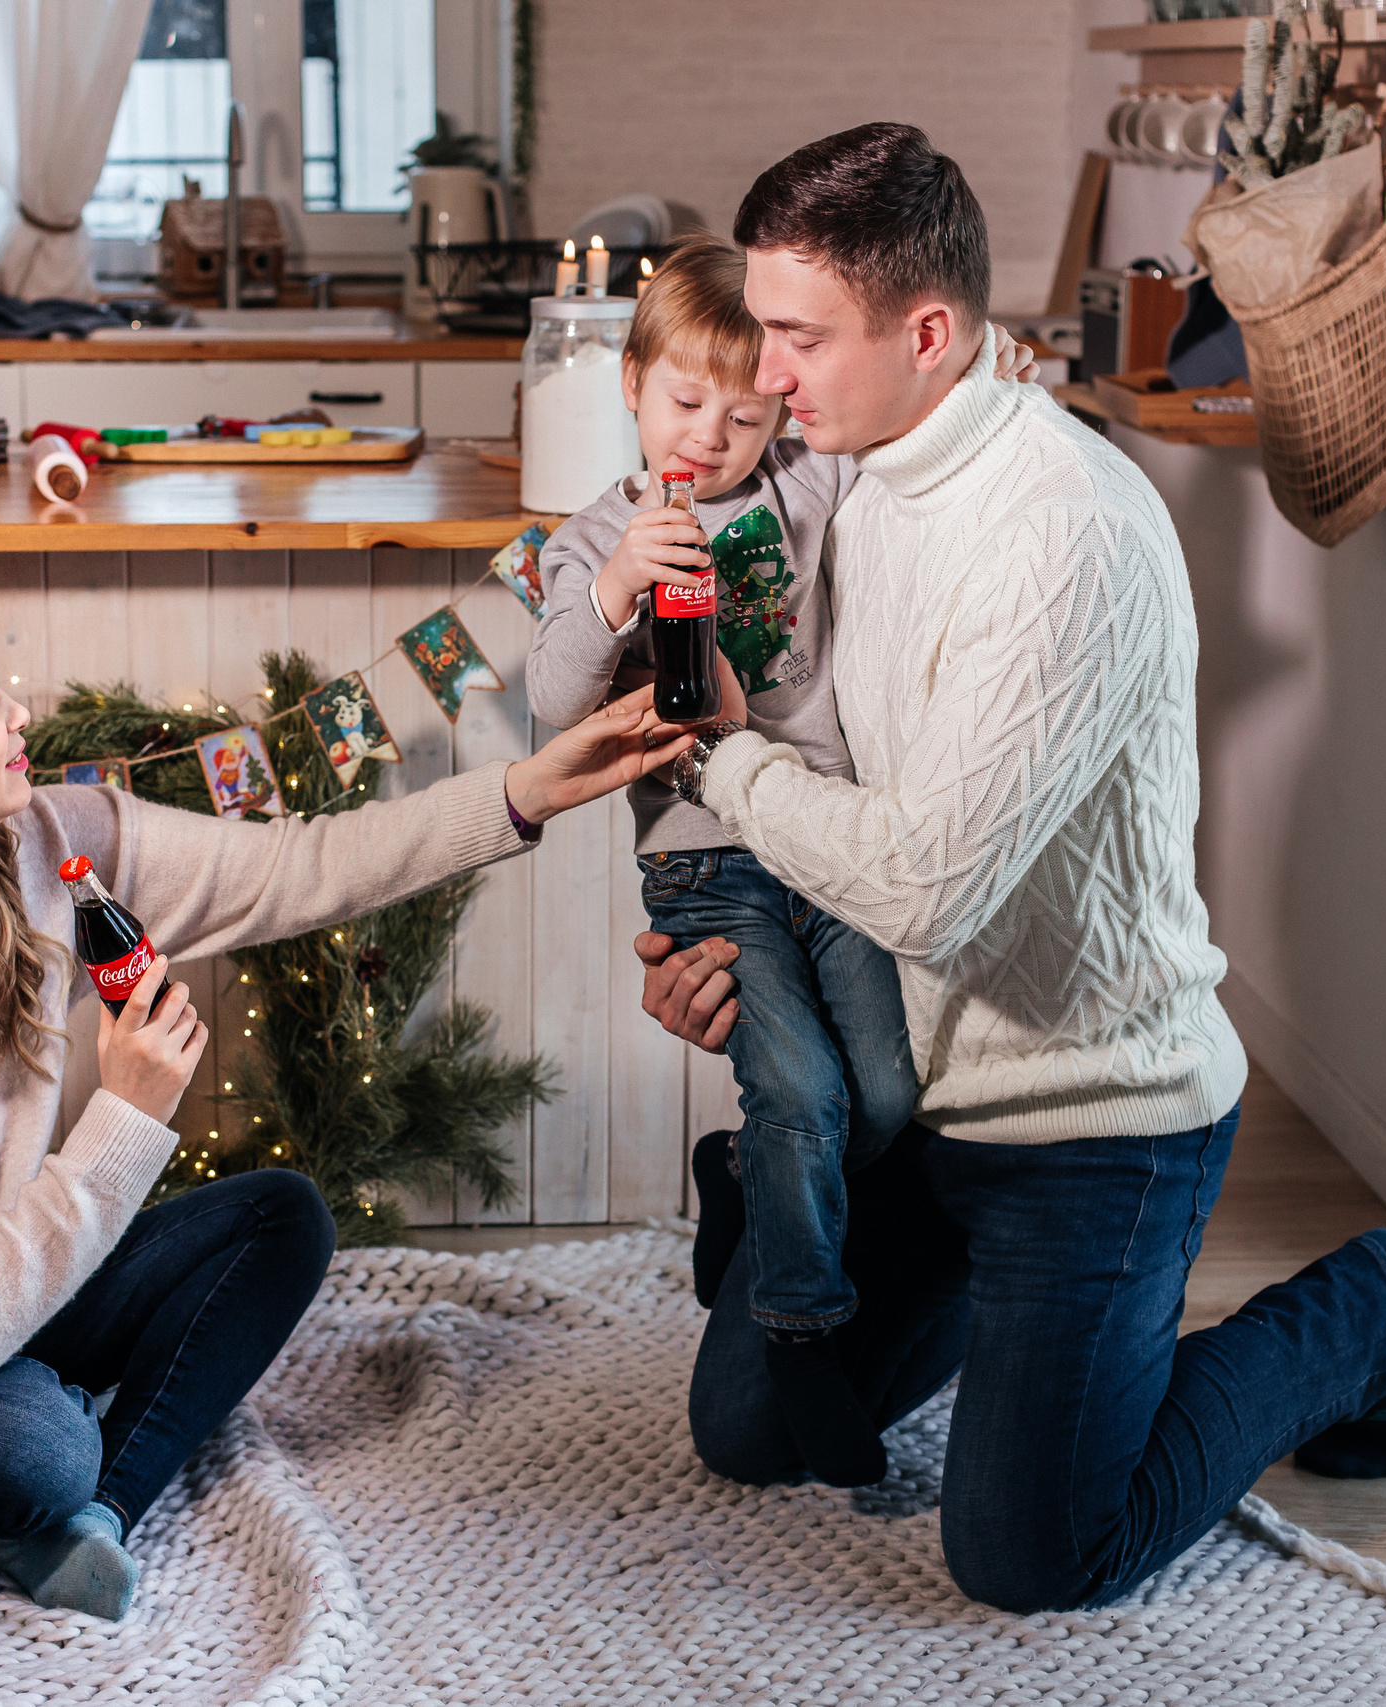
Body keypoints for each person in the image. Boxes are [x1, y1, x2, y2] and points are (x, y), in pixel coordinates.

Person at [637, 123, 1386, 1615]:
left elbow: (928, 884)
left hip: (1093, 1117)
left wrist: (717, 766)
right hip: (929, 1094)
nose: (765, 378)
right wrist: (740, 966)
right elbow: (848, 805)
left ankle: (1366, 1312)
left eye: (798, 338)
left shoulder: (1059, 531)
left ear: (926, 334)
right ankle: (998, 1324)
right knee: (750, 1429)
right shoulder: (862, 481)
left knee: (1034, 1552)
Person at [0, 585, 690, 1621]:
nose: (21, 717)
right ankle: (57, 1477)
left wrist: (528, 792)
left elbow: (299, 868)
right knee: (35, 1441)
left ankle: (87, 1521)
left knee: (279, 1219)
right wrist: (130, 1113)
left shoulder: (53, 845)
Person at [525, 239, 1036, 1488]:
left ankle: (752, 1182)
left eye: (744, 414)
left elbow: (916, 441)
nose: (707, 437)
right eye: (683, 403)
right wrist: (610, 597)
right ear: (633, 384)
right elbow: (546, 702)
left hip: (831, 846)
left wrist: (998, 378)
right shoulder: (596, 536)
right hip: (711, 868)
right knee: (801, 1096)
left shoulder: (807, 489)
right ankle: (805, 1327)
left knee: (875, 1089)